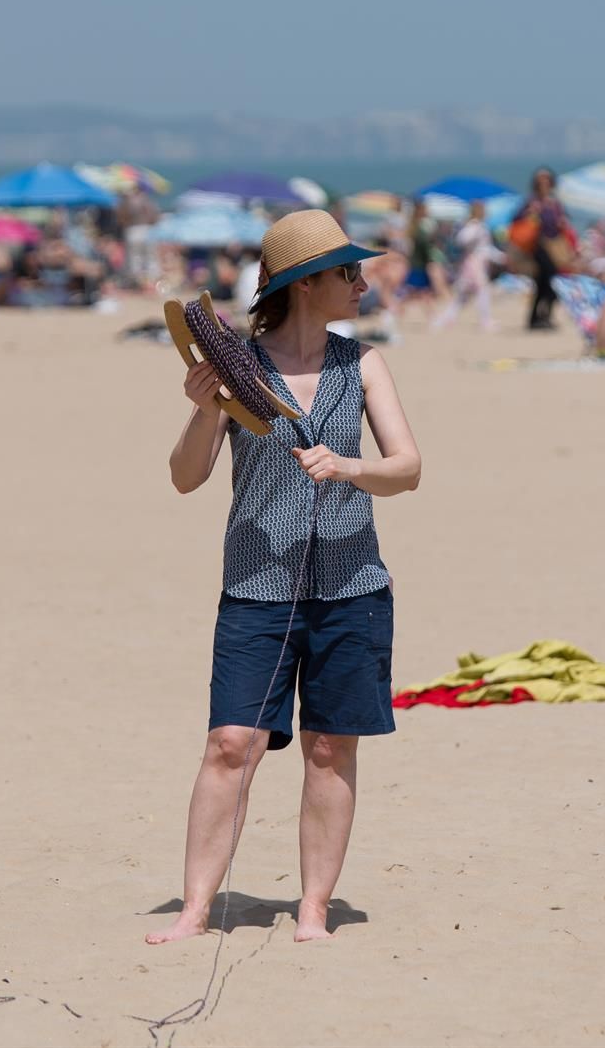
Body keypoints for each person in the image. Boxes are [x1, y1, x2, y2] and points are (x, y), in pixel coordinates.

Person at [150, 210, 421, 946]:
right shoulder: (240, 369)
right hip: (256, 591)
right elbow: (184, 479)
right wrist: (205, 412)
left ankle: (312, 911)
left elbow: (408, 469)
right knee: (229, 745)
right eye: (349, 272)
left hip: (352, 589)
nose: (363, 284)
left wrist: (349, 466)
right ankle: (195, 911)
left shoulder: (362, 364)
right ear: (307, 284)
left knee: (330, 748)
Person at [515, 168, 571, 330]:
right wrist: (530, 214)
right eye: (541, 181)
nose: (544, 184)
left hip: (552, 247)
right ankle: (538, 318)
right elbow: (517, 220)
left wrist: (561, 223)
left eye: (547, 181)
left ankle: (539, 318)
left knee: (545, 285)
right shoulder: (531, 202)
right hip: (537, 248)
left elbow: (561, 224)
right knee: (545, 283)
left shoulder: (554, 204)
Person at [433, 202, 501, 332]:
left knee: (463, 296)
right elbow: (462, 240)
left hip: (475, 263)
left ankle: (446, 319)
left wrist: (499, 257)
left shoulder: (479, 226)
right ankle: (485, 321)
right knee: (481, 292)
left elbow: (485, 248)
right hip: (473, 265)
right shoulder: (474, 226)